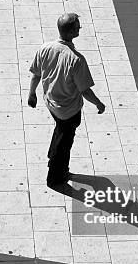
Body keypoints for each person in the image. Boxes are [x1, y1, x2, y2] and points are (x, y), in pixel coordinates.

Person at [28, 13, 106, 187]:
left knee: (60, 129)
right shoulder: (76, 60)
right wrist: (99, 104)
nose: (80, 28)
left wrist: (31, 94)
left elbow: (36, 75)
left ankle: (51, 156)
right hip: (68, 110)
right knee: (65, 144)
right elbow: (84, 90)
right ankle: (55, 176)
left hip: (51, 103)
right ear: (71, 32)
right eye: (78, 27)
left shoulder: (45, 48)